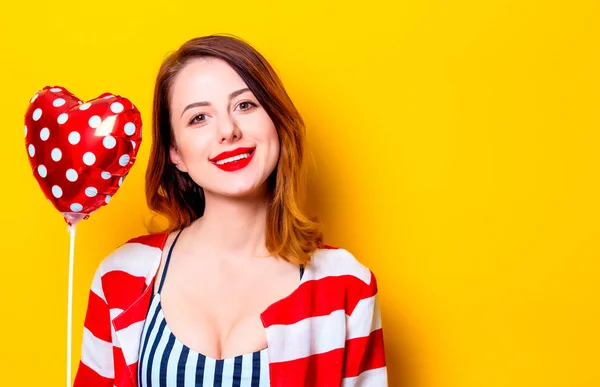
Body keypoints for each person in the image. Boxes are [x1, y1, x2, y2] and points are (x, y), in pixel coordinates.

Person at [73, 34, 387, 387]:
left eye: (245, 106)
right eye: (198, 118)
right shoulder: (120, 277)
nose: (227, 131)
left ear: (277, 122)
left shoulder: (347, 287)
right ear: (176, 152)